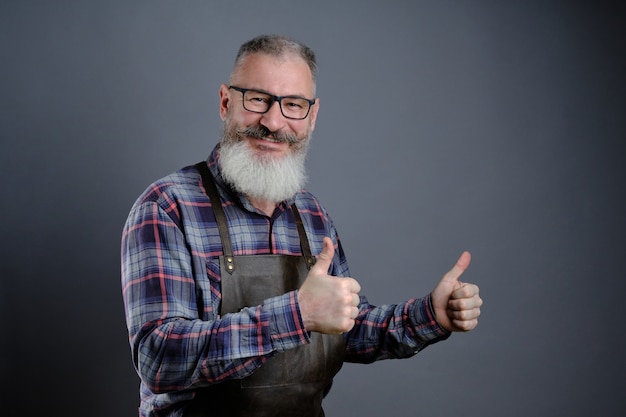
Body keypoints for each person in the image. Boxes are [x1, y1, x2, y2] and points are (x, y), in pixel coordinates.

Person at [121, 34, 482, 417]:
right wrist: (297, 314)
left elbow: (346, 329)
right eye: (257, 99)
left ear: (312, 116)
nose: (274, 122)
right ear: (226, 102)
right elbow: (159, 358)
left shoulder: (311, 215)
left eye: (293, 105)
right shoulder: (167, 207)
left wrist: (431, 315)